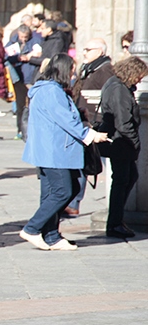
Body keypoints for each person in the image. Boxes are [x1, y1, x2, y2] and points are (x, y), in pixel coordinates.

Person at [20, 54, 109, 251]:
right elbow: (64, 119)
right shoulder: (51, 91)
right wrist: (90, 135)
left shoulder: (49, 89)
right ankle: (32, 228)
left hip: (52, 149)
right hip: (54, 150)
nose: (73, 74)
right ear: (62, 70)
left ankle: (51, 235)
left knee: (53, 192)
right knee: (64, 191)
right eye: (71, 70)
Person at [64, 38, 115, 217]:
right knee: (81, 163)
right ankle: (71, 202)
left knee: (85, 164)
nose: (84, 52)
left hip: (94, 122)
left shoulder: (106, 70)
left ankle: (73, 202)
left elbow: (110, 97)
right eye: (84, 49)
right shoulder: (89, 68)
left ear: (100, 51)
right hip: (83, 119)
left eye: (88, 49)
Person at [98, 56, 148, 239]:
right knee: (121, 180)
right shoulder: (119, 89)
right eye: (139, 76)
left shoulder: (117, 85)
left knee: (127, 177)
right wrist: (134, 143)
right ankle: (115, 223)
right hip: (121, 142)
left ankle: (116, 220)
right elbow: (123, 121)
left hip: (120, 141)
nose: (140, 80)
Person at [6, 24, 41, 139]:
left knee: (32, 104)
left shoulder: (35, 41)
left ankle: (31, 129)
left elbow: (39, 54)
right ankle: (20, 129)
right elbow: (5, 56)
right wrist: (18, 58)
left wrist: (29, 56)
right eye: (22, 36)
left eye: (26, 37)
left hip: (30, 75)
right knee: (20, 104)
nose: (24, 39)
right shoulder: (13, 41)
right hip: (18, 76)